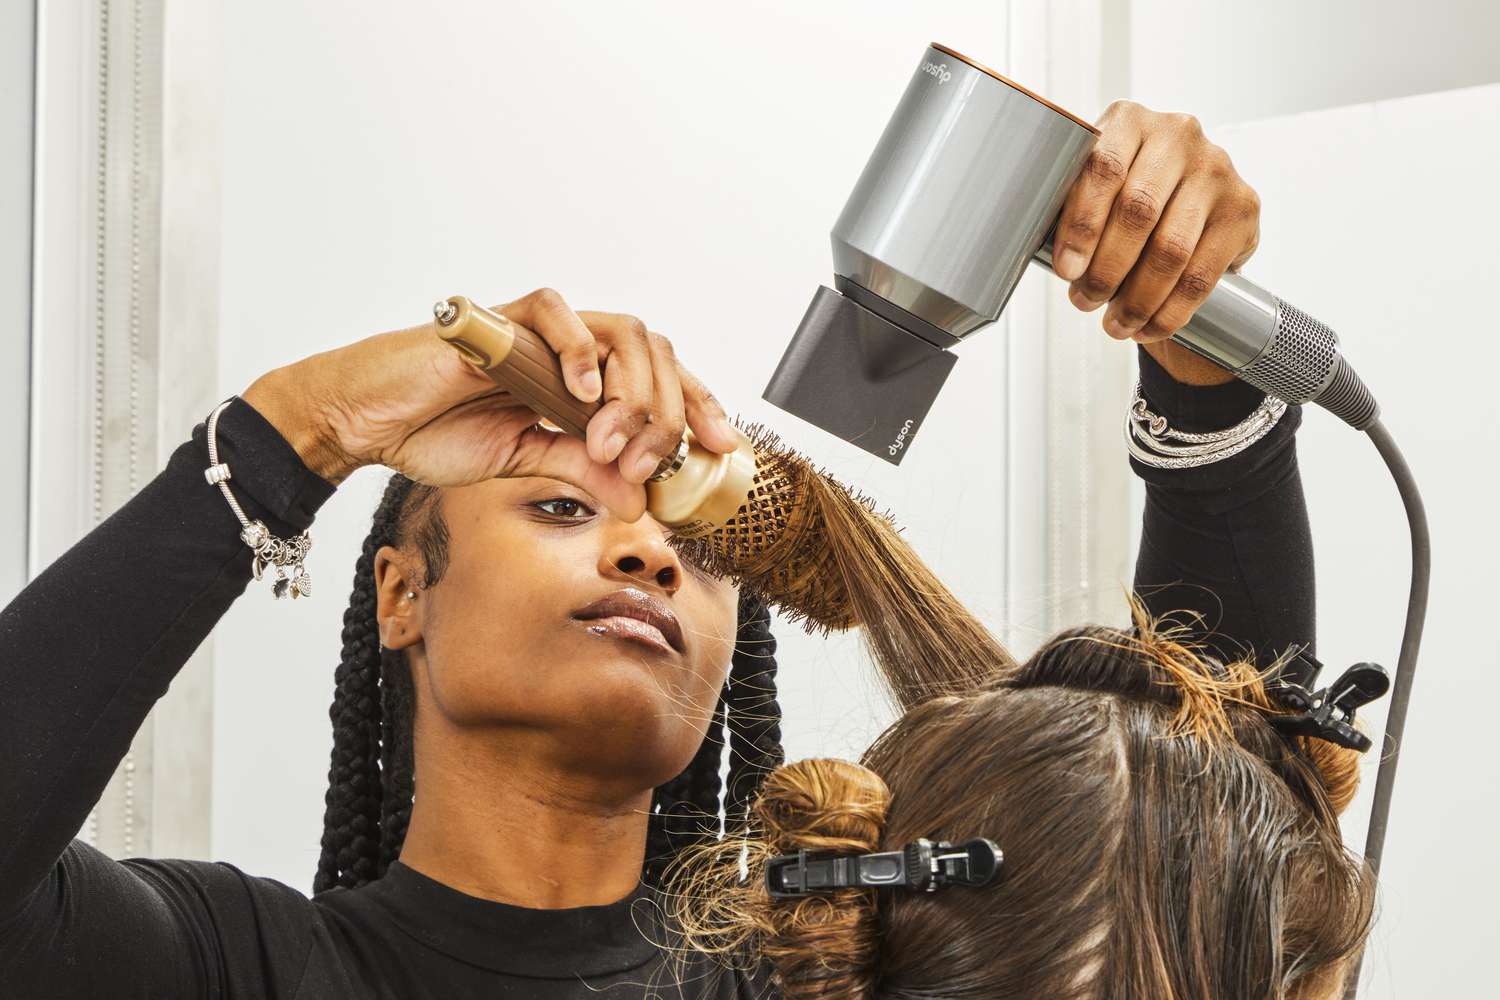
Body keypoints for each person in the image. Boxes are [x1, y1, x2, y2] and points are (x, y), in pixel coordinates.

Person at [0, 101, 1308, 998]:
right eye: (562, 510)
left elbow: (1220, 835)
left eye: (699, 548)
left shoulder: (850, 968)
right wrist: (304, 425)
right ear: (402, 593)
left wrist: (1202, 367)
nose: (650, 558)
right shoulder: (233, 968)